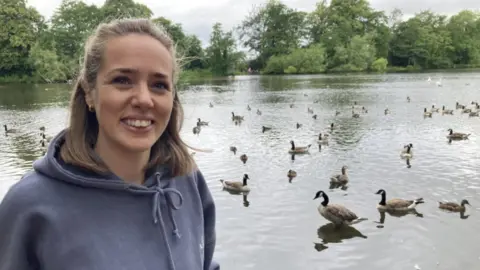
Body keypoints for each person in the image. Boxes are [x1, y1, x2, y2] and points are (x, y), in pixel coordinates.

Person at [0, 18, 219, 270]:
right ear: (89, 93)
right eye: (123, 80)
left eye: (159, 85)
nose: (144, 100)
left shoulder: (187, 180)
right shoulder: (29, 207)